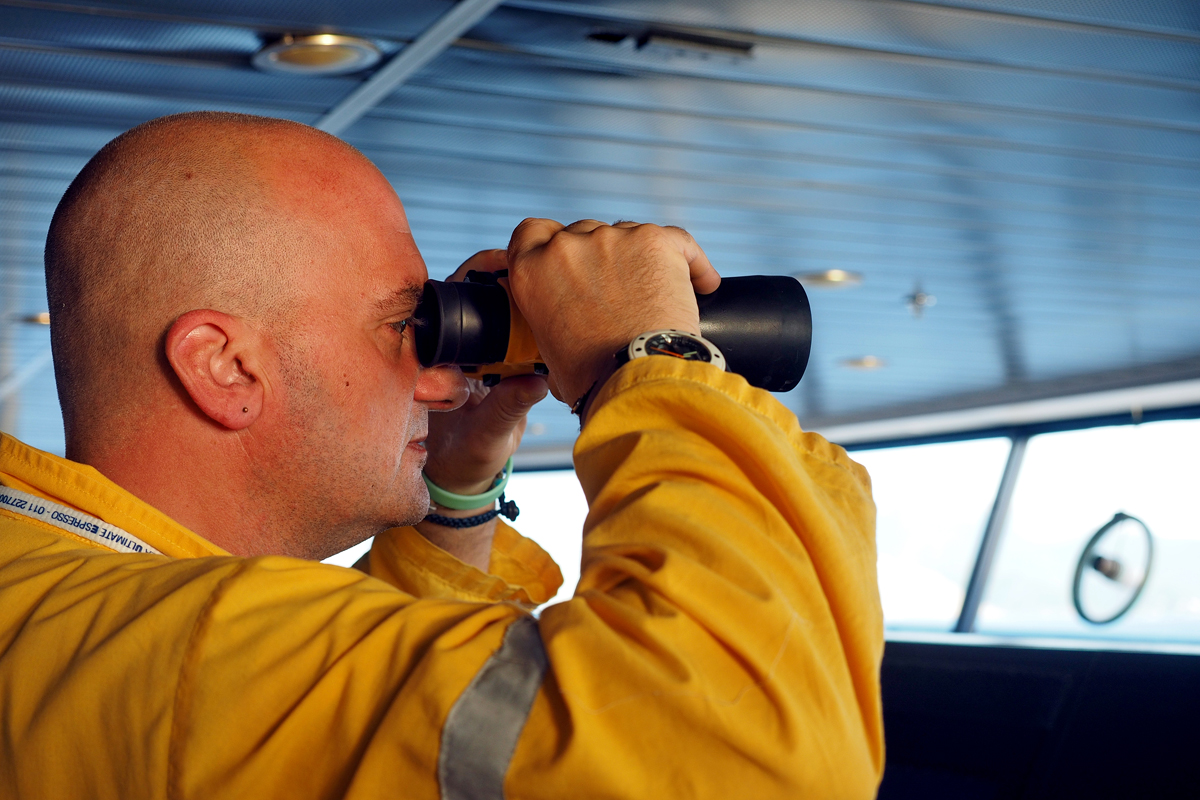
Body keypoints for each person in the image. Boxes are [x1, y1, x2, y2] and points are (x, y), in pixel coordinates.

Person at [0, 112, 884, 798]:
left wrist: (456, 486)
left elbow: (373, 730)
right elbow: (741, 757)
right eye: (401, 326)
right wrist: (647, 361)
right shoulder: (185, 650)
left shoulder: (58, 596)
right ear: (225, 365)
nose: (442, 381)